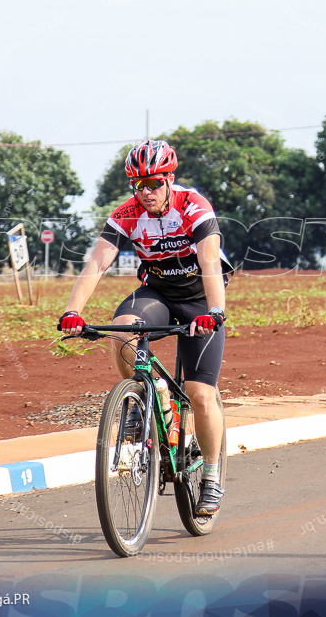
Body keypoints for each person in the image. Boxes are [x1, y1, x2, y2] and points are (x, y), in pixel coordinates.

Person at [58, 140, 232, 516]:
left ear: (170, 179)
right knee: (122, 331)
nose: (145, 192)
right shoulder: (126, 214)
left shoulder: (194, 208)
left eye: (153, 183)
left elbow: (210, 265)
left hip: (200, 298)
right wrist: (73, 311)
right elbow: (97, 264)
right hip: (157, 292)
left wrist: (215, 311)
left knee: (201, 395)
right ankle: (148, 395)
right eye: (137, 184)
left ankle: (213, 477)